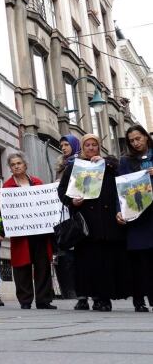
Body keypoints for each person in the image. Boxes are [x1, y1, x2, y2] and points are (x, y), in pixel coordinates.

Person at [57, 134, 128, 312]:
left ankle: (102, 298)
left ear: (99, 147)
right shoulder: (74, 166)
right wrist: (72, 202)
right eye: (87, 145)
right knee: (83, 262)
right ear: (82, 148)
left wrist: (105, 162)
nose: (90, 148)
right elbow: (62, 191)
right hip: (84, 224)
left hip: (105, 223)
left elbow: (121, 181)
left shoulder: (108, 164)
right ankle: (82, 297)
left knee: (103, 262)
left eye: (94, 145)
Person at [1, 153, 55, 309]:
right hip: (20, 234)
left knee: (42, 266)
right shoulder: (7, 187)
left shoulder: (38, 183)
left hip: (40, 232)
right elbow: (4, 211)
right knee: (21, 267)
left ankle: (43, 300)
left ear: (25, 165)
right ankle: (25, 301)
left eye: (19, 163)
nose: (17, 166)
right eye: (13, 164)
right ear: (10, 168)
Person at [117, 125, 153, 312]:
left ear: (146, 137)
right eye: (132, 140)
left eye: (138, 138)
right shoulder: (126, 161)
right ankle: (139, 300)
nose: (136, 143)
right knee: (139, 261)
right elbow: (120, 188)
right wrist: (118, 211)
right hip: (136, 216)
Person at [53, 134, 80, 300]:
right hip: (64, 214)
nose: (63, 148)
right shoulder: (61, 166)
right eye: (61, 145)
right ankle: (71, 289)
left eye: (66, 145)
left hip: (78, 211)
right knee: (67, 251)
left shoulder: (82, 163)